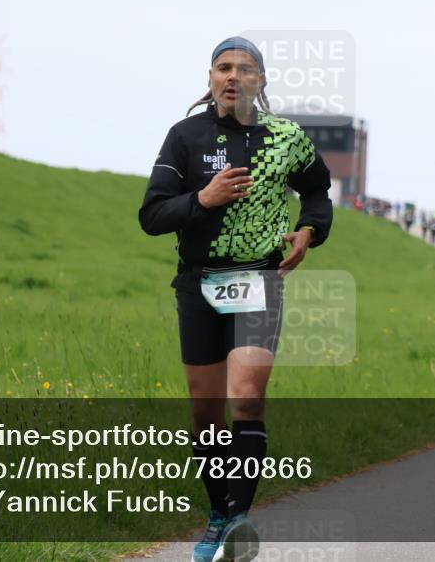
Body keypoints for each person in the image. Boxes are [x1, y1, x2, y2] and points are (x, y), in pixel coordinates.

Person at [139, 36, 332, 562]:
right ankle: (220, 513)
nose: (233, 76)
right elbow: (151, 216)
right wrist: (203, 199)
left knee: (245, 397)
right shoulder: (186, 137)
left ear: (261, 81)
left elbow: (318, 187)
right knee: (206, 415)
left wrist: (309, 229)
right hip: (198, 282)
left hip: (258, 280)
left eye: (245, 69)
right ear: (209, 78)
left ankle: (239, 523)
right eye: (223, 68)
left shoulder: (286, 138)